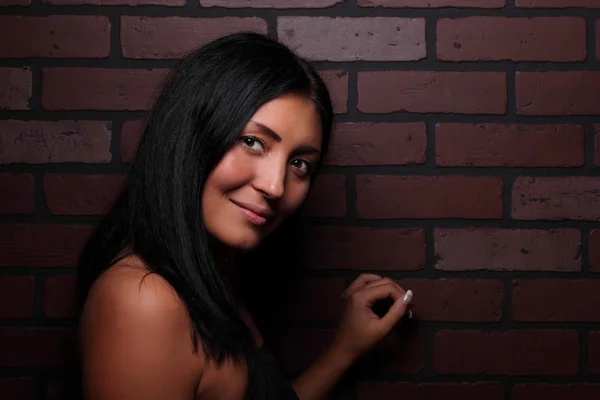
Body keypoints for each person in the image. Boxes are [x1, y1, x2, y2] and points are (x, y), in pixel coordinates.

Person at [75, 32, 413, 400]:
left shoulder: (211, 269)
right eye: (253, 142)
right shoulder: (144, 301)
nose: (276, 187)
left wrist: (343, 351)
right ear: (191, 137)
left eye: (299, 164)